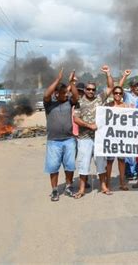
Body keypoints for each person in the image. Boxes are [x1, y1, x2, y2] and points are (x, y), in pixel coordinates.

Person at [73, 65, 114, 198]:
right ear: (84, 90)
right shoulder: (79, 101)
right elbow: (76, 118)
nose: (91, 91)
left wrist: (108, 74)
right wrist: (89, 125)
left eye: (93, 89)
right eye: (88, 89)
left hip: (99, 138)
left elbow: (110, 88)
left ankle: (103, 186)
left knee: (101, 163)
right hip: (84, 137)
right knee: (84, 164)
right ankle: (82, 189)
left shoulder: (99, 98)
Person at [43, 68, 79, 201]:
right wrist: (58, 79)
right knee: (53, 166)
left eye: (67, 92)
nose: (67, 94)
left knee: (69, 165)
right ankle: (54, 190)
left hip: (69, 140)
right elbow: (46, 94)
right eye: (64, 93)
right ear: (56, 94)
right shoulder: (49, 104)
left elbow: (76, 96)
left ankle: (69, 187)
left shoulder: (69, 103)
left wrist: (72, 83)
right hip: (53, 141)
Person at [105, 85, 130, 191]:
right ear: (113, 94)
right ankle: (107, 183)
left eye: (120, 93)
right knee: (109, 161)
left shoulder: (126, 107)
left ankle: (122, 182)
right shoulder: (107, 106)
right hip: (110, 137)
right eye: (116, 93)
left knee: (121, 160)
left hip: (122, 137)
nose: (118, 95)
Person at [118, 70, 138, 180]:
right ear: (131, 87)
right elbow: (118, 88)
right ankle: (129, 172)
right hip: (128, 127)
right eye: (134, 85)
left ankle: (137, 171)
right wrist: (125, 76)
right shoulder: (127, 96)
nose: (136, 87)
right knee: (128, 151)